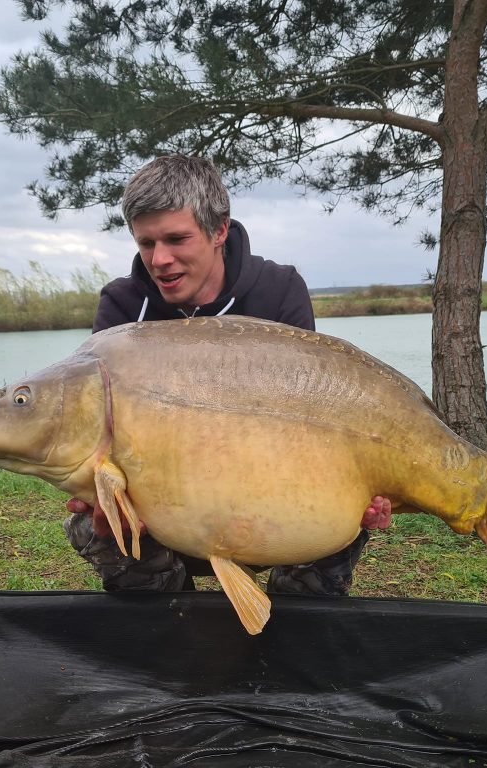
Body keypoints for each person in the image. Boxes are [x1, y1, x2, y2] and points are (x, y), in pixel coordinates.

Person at [64, 155, 391, 594]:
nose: (159, 260)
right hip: (167, 506)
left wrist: (360, 492)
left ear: (219, 230)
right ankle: (172, 621)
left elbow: (310, 420)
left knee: (343, 516)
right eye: (146, 243)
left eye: (177, 239)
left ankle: (297, 621)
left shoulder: (278, 290)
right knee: (89, 521)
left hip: (272, 499)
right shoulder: (123, 309)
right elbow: (107, 433)